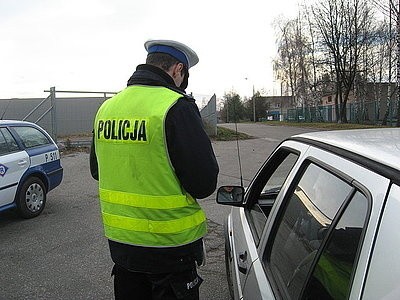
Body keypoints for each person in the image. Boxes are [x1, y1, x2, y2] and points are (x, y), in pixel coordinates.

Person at [90, 39, 219, 300]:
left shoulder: (107, 108)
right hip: (171, 252)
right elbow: (204, 184)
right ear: (177, 70)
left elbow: (97, 170)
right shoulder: (176, 106)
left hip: (123, 250)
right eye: (184, 76)